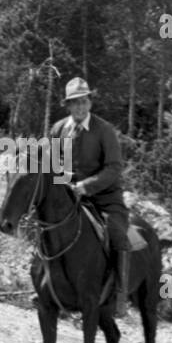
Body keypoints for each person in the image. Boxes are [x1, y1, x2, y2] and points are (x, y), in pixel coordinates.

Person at [49, 77, 131, 317]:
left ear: (90, 103)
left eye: (83, 102)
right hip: (69, 196)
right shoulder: (58, 129)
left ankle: (120, 295)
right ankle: (47, 286)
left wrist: (86, 186)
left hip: (104, 197)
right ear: (68, 105)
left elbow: (114, 167)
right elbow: (54, 166)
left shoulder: (104, 130)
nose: (79, 107)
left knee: (118, 235)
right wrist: (62, 188)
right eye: (74, 103)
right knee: (45, 227)